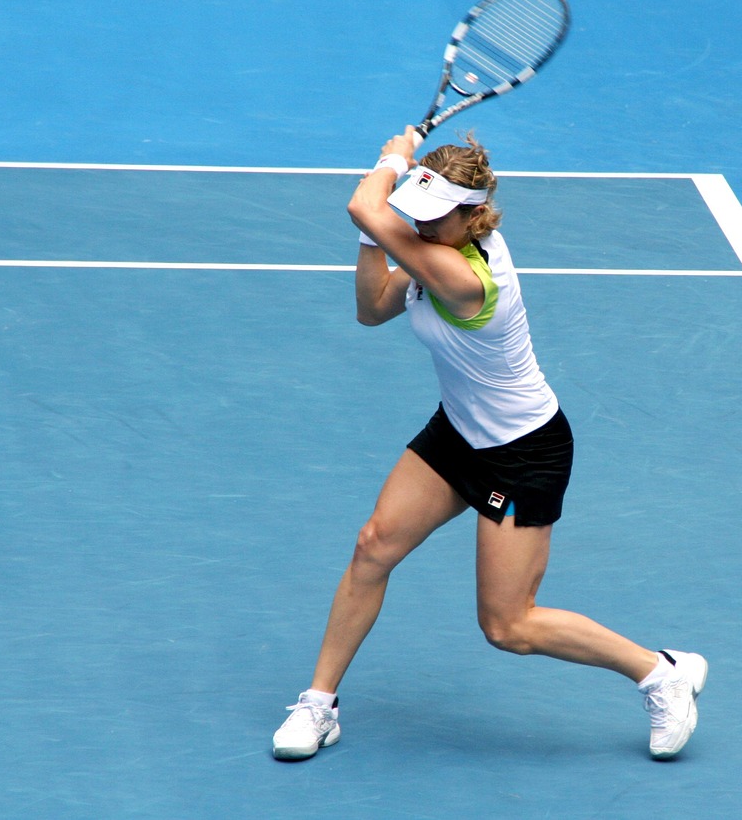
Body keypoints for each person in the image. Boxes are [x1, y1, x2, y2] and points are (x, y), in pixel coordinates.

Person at [271, 126, 707, 762]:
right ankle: (319, 704)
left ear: (474, 216)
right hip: (458, 432)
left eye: (434, 216)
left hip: (524, 453)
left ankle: (659, 672)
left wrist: (390, 162)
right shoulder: (434, 248)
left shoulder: (468, 280)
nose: (421, 227)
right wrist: (374, 234)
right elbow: (372, 306)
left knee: (508, 625)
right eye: (416, 214)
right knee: (373, 547)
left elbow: (364, 204)